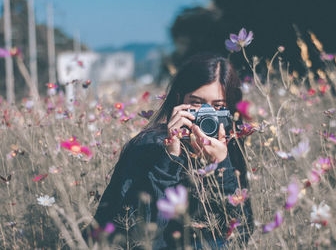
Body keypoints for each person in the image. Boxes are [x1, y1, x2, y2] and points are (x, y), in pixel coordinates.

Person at [90, 53, 254, 249]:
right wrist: (169, 159)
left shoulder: (230, 147)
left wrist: (222, 166)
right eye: (196, 103)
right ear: (179, 100)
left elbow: (240, 234)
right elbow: (137, 236)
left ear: (230, 112)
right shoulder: (148, 146)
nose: (206, 115)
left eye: (217, 106)